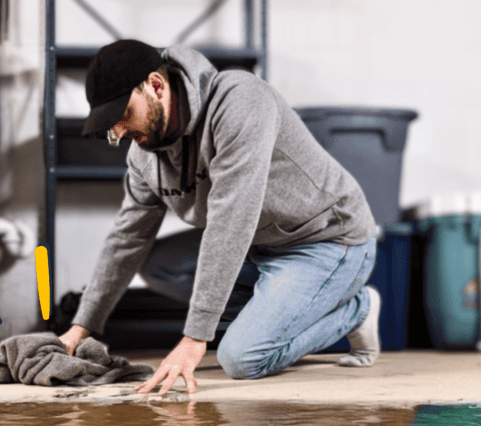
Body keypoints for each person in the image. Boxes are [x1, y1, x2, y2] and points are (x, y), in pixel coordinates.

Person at [58, 39, 381, 395]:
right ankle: (275, 314)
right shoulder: (144, 154)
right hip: (259, 246)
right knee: (157, 263)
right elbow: (127, 238)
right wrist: (79, 328)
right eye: (110, 125)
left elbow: (231, 220)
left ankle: (356, 309)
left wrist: (194, 339)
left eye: (123, 115)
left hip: (327, 241)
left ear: (155, 85)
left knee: (242, 359)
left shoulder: (240, 101)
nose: (118, 133)